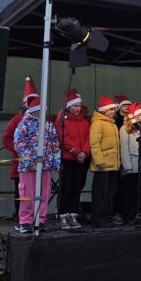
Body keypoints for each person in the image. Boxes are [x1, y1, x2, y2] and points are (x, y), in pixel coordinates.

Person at [13, 94, 61, 234]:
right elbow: (19, 144)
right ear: (35, 111)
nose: (44, 113)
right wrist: (30, 161)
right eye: (41, 110)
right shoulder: (24, 124)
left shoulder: (48, 125)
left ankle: (40, 220)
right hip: (28, 167)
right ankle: (25, 221)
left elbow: (54, 144)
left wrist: (56, 163)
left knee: (44, 193)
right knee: (27, 194)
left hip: (45, 166)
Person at [3, 75, 38, 223]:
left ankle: (36, 217)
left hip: (38, 164)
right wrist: (19, 150)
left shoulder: (43, 120)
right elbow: (7, 139)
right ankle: (21, 217)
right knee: (22, 191)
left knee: (37, 191)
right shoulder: (17, 120)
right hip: (21, 162)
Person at [55, 87, 90, 230]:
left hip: (81, 159)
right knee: (66, 187)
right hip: (68, 158)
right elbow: (63, 138)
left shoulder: (85, 122)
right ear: (69, 107)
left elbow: (89, 138)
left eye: (79, 105)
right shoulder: (63, 121)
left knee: (77, 187)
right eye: (75, 106)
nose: (78, 108)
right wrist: (76, 152)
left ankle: (73, 214)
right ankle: (62, 215)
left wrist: (84, 152)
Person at [89, 96, 121, 228]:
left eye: (114, 109)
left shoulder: (111, 123)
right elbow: (94, 143)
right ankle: (99, 219)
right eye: (111, 109)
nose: (113, 111)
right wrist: (99, 161)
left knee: (110, 193)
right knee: (101, 193)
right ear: (104, 110)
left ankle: (108, 217)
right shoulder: (98, 123)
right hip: (103, 165)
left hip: (113, 164)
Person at [120, 102, 141, 223]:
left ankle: (140, 213)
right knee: (130, 192)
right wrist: (127, 166)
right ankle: (129, 215)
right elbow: (124, 148)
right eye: (139, 114)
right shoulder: (124, 129)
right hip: (131, 165)